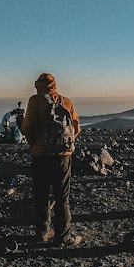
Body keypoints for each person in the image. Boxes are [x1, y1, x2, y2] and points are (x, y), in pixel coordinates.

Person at [22, 72, 82, 247]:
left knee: (41, 194)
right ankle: (63, 236)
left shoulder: (35, 101)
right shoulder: (66, 102)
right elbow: (76, 127)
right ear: (54, 85)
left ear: (38, 86)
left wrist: (35, 144)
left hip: (40, 155)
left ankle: (42, 232)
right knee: (62, 196)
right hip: (63, 156)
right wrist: (65, 146)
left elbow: (27, 127)